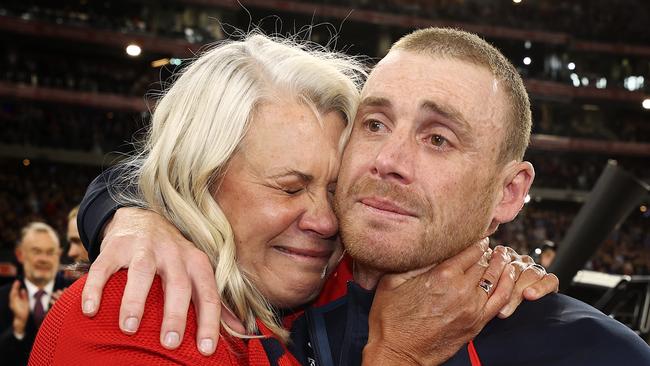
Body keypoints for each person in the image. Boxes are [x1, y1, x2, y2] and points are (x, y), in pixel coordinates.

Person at [31, 32, 558, 365]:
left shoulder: (325, 284)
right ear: (201, 182)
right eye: (289, 187)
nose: (328, 221)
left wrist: (491, 267)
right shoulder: (130, 317)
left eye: (334, 188)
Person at [287, 28, 650, 365]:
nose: (387, 160)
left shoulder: (596, 354)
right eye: (375, 124)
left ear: (509, 193)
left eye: (438, 139)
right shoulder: (263, 302)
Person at [0, 222, 68, 366]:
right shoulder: (2, 296)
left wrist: (68, 320)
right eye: (36, 251)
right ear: (20, 255)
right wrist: (18, 327)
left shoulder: (73, 296)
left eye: (50, 252)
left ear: (59, 255)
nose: (44, 259)